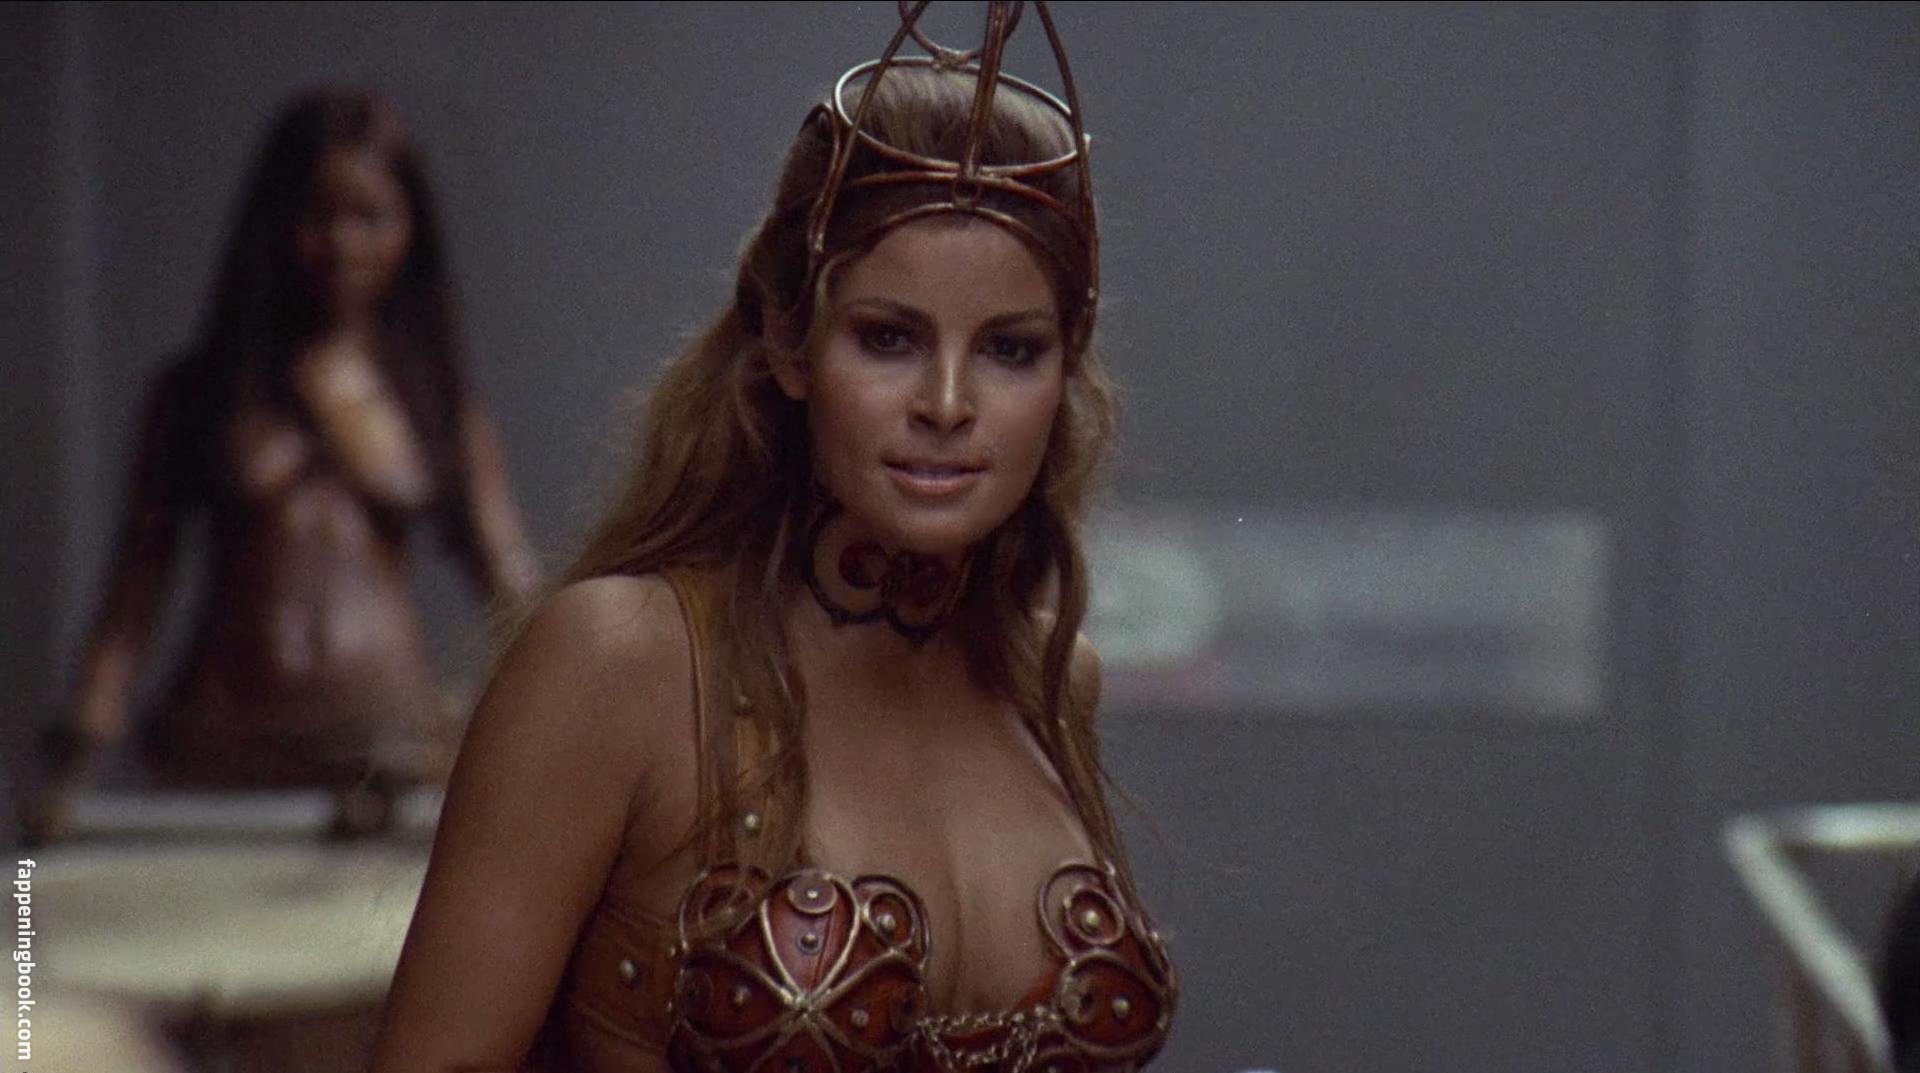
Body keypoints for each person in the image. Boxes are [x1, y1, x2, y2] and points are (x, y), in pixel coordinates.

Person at [371, 4, 1175, 1070]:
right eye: (887, 338)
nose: (947, 403)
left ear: (1066, 370)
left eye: (1010, 350)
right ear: (790, 344)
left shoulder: (1050, 679)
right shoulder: (622, 662)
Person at [22, 88, 540, 841]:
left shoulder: (434, 397)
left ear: (409, 228)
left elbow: (509, 581)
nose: (343, 245)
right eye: (317, 216)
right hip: (219, 753)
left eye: (370, 217)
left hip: (386, 754)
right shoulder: (204, 391)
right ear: (275, 224)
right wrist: (82, 732)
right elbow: (136, 586)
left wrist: (570, 710)